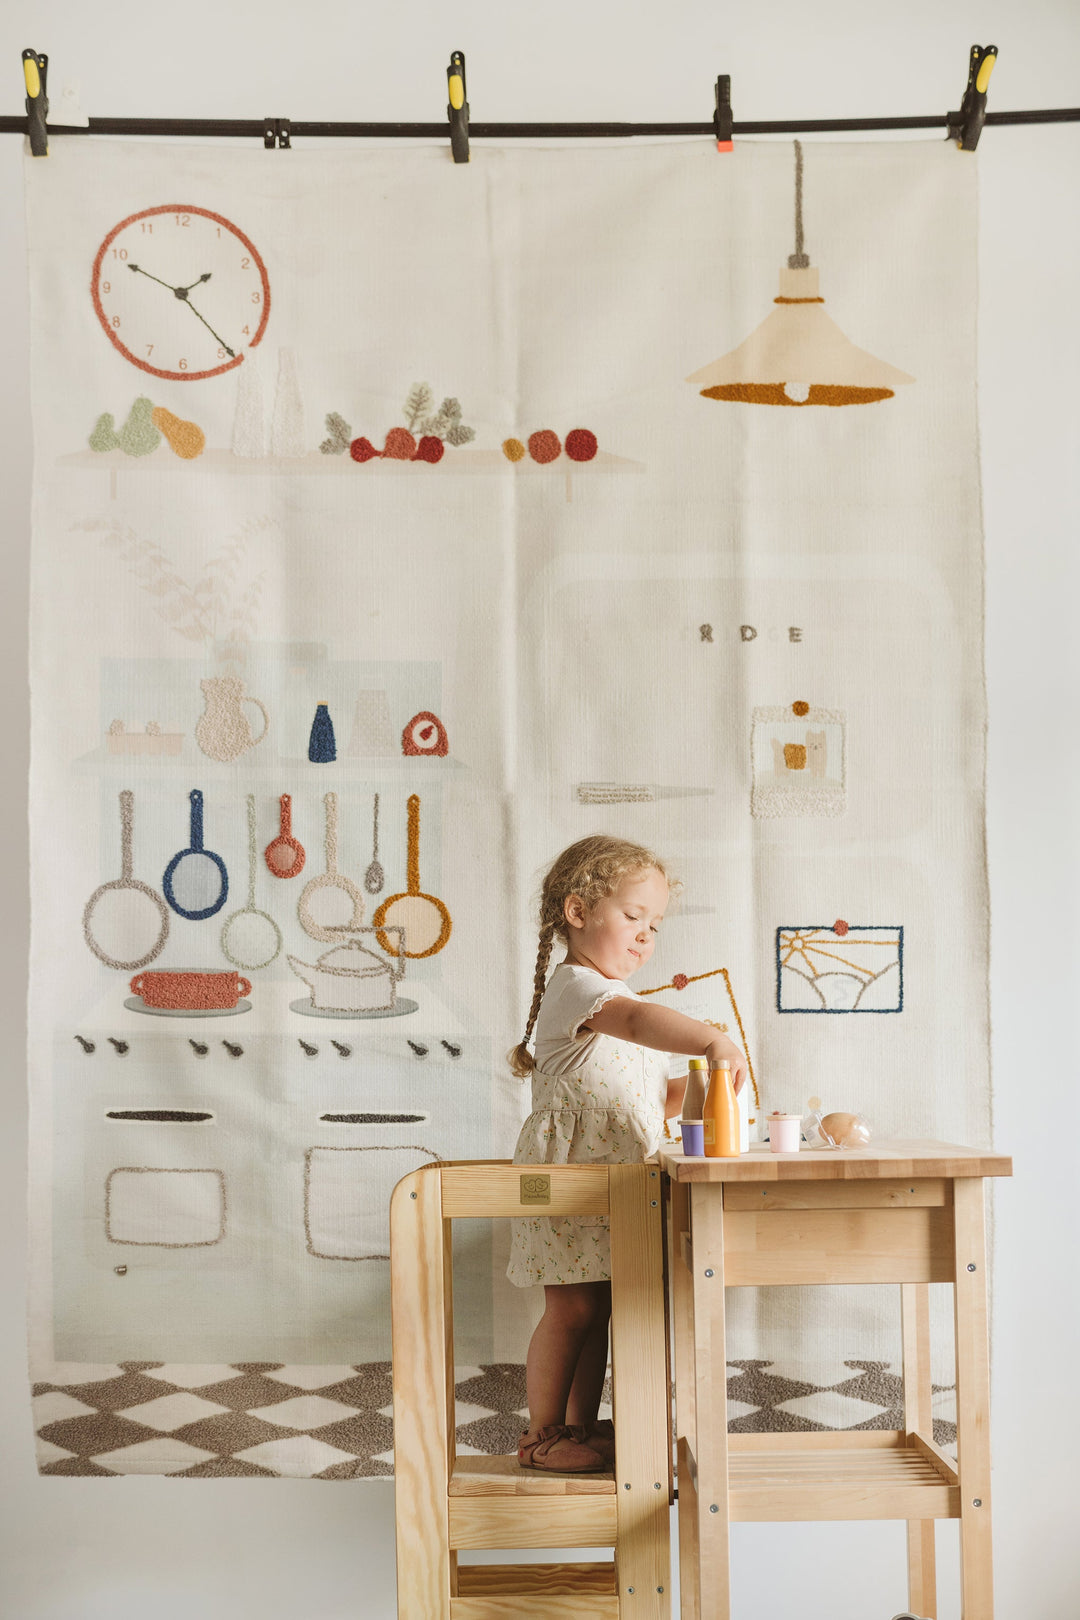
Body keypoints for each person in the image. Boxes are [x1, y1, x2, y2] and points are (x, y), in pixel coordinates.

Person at [506, 834, 747, 1473]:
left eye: (655, 924)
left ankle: (577, 1427)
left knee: (601, 1305)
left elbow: (647, 1098)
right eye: (633, 916)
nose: (645, 936)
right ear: (578, 913)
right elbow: (640, 1025)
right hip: (567, 1177)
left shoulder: (615, 1005)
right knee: (573, 1307)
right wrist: (714, 1039)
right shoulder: (582, 988)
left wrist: (705, 1082)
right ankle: (540, 1436)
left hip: (611, 1181)